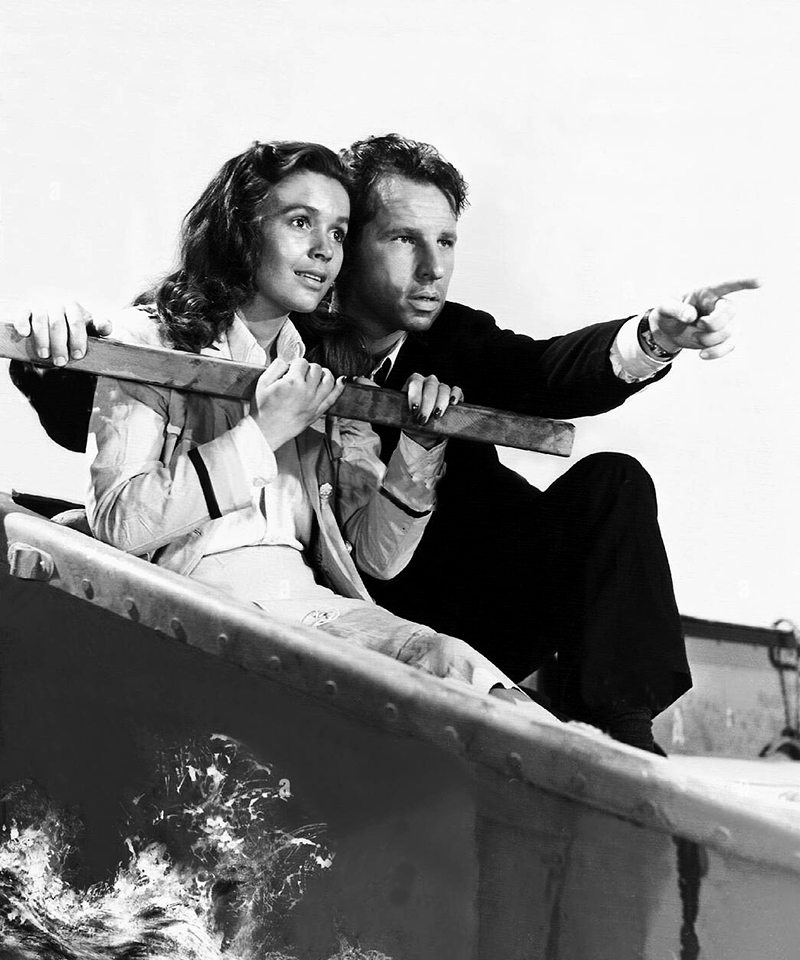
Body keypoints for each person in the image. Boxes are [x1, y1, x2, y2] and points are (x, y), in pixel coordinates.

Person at [10, 134, 758, 751]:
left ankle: (620, 749)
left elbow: (546, 374)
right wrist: (50, 342)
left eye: (446, 241)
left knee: (608, 492)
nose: (433, 267)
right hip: (252, 601)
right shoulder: (232, 329)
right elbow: (103, 415)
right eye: (402, 238)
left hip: (390, 599)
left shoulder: (406, 346)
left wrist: (653, 338)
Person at [45, 139, 547, 711]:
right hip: (185, 608)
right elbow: (119, 525)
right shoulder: (150, 340)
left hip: (306, 607)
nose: (323, 250)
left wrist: (420, 445)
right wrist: (261, 435)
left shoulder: (326, 371)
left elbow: (378, 558)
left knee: (454, 666)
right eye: (300, 222)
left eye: (338, 232)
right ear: (242, 228)